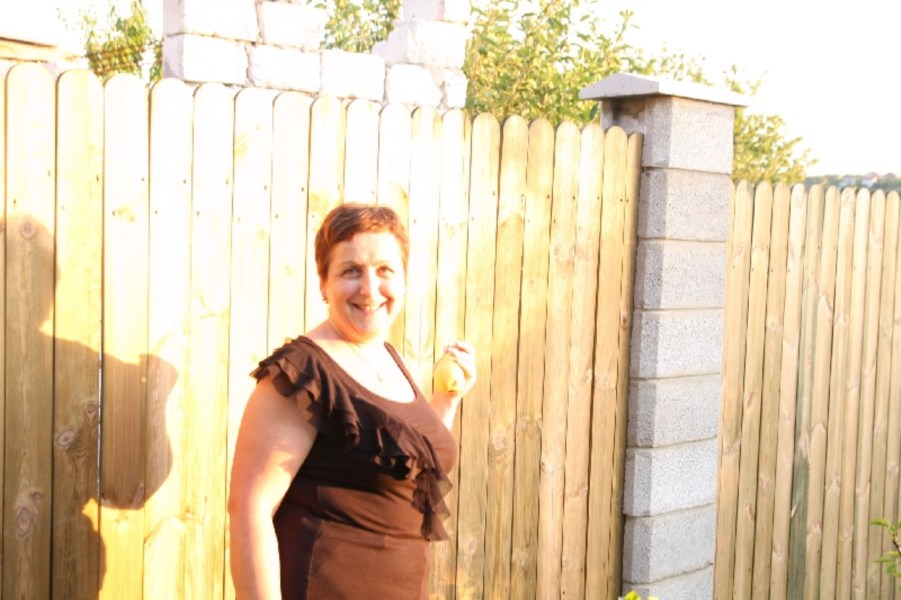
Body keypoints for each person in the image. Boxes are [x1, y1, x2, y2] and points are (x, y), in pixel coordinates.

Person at [228, 202, 476, 599]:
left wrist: (447, 398)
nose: (370, 289)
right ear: (323, 284)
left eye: (384, 270)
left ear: (404, 280)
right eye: (351, 271)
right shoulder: (302, 374)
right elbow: (249, 509)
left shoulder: (388, 359)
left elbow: (404, 464)